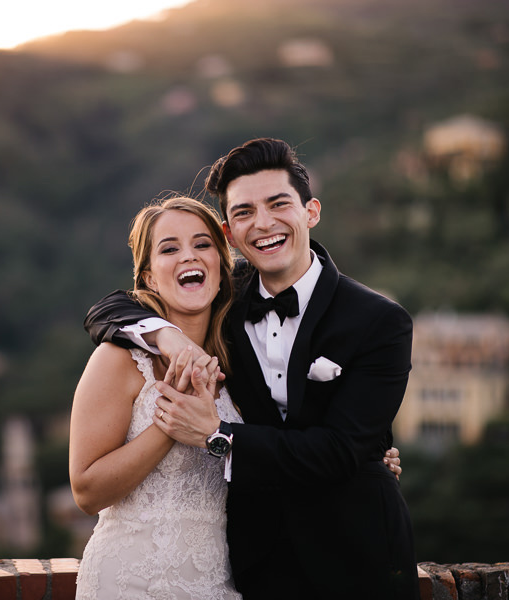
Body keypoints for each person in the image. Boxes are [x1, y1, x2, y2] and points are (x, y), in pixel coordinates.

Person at [84, 138, 418, 599]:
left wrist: (217, 434)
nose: (263, 223)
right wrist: (168, 335)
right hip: (253, 566)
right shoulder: (223, 302)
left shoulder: (380, 321)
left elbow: (341, 448)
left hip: (353, 553)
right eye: (243, 213)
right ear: (230, 232)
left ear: (311, 211)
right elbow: (110, 309)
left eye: (278, 204)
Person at [70, 197, 244, 599]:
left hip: (216, 584)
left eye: (203, 245)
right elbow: (86, 491)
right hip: (128, 584)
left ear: (220, 264)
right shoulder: (118, 360)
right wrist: (172, 424)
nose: (189, 256)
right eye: (169, 248)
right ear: (148, 278)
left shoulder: (239, 366)